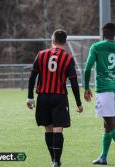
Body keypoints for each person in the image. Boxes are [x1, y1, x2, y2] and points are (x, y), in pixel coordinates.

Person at [26, 29, 83, 167]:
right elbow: (74, 82)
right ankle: (56, 161)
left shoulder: (41, 55)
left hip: (43, 97)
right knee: (58, 129)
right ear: (65, 41)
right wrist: (78, 103)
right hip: (59, 97)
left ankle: (53, 160)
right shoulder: (68, 58)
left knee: (48, 129)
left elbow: (32, 77)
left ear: (53, 40)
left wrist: (30, 97)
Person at [84, 22, 115, 165]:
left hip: (104, 89)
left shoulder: (96, 47)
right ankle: (103, 157)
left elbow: (87, 68)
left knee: (110, 122)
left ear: (103, 34)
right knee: (107, 124)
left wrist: (86, 87)